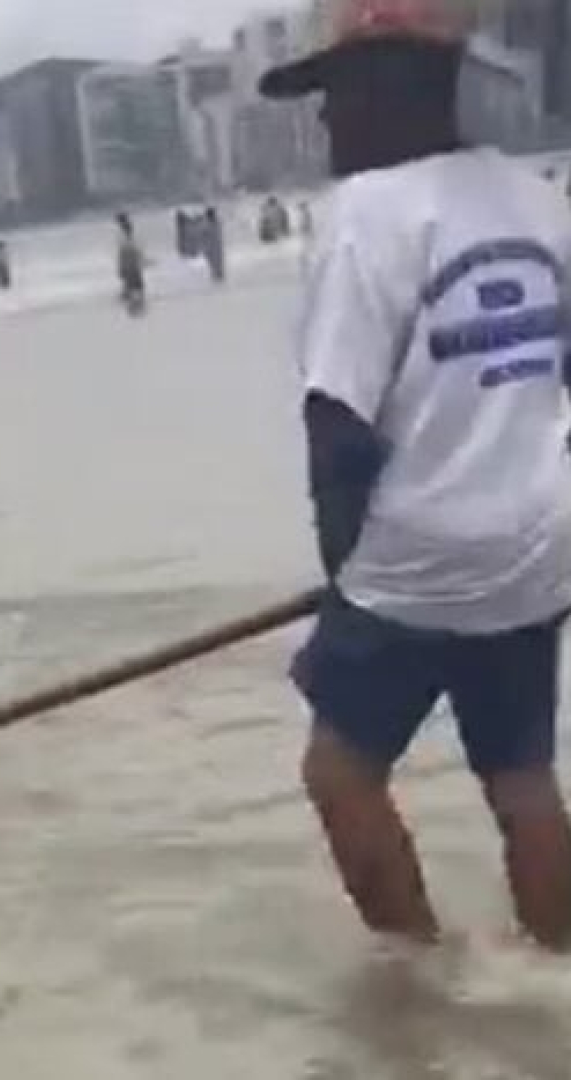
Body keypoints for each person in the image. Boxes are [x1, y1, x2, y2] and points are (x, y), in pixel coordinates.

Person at [261, 0, 571, 949]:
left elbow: (337, 429)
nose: (323, 121)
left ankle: (422, 982)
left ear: (386, 90)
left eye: (333, 96)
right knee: (521, 779)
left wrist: (349, 579)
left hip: (422, 557)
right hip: (543, 543)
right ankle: (557, 977)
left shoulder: (365, 216)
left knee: (339, 772)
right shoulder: (539, 199)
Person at [116, 213, 147, 315]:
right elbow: (135, 253)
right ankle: (127, 297)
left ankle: (126, 297)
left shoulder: (125, 240)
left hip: (128, 266)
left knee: (131, 286)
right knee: (137, 287)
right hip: (131, 266)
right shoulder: (127, 240)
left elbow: (125, 255)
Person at [201, 206, 226, 284]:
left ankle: (219, 282)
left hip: (214, 247)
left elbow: (203, 236)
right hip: (212, 247)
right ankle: (218, 282)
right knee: (215, 266)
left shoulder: (210, 223)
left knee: (217, 266)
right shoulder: (210, 224)